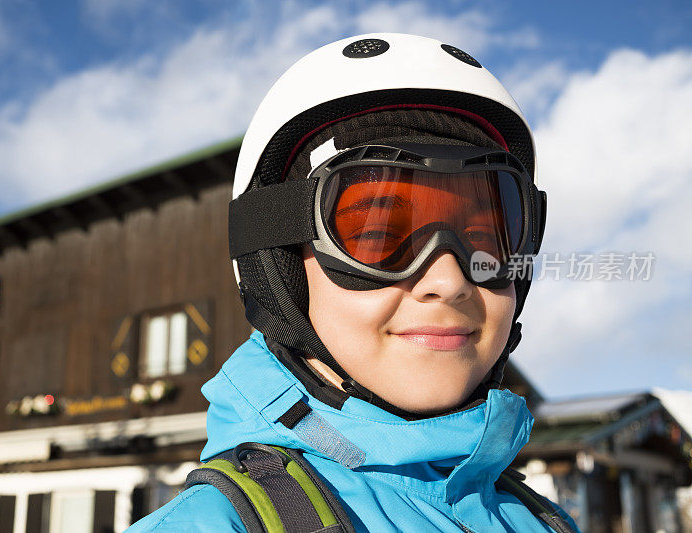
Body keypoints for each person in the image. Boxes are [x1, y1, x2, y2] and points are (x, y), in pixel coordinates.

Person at [127, 33, 580, 532]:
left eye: (484, 237)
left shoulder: (541, 519)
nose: (449, 280)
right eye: (379, 236)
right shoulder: (218, 524)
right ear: (280, 270)